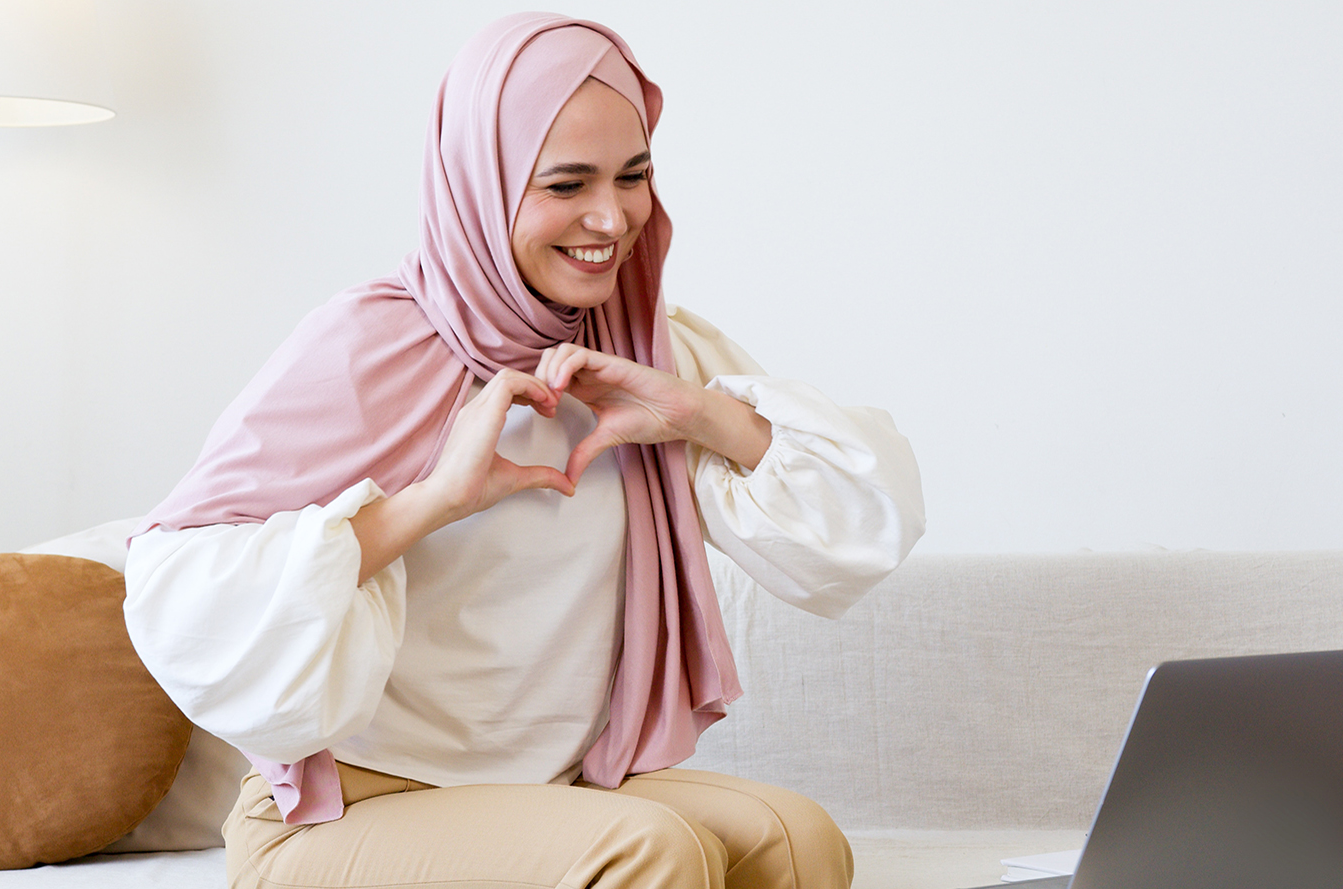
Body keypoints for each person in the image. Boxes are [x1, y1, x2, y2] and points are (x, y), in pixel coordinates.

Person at [123, 12, 925, 889]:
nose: (610, 217)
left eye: (634, 175)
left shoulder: (644, 351)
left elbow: (860, 529)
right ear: (481, 181)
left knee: (797, 838)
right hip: (344, 811)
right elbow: (176, 590)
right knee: (649, 849)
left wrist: (701, 414)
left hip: (555, 791)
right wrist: (435, 499)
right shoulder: (368, 345)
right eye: (565, 183)